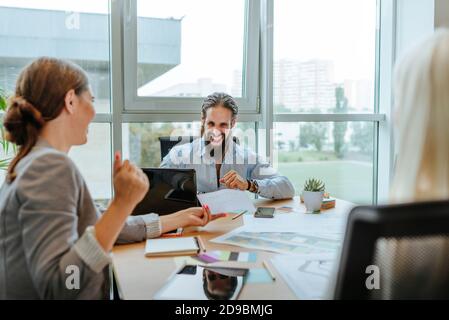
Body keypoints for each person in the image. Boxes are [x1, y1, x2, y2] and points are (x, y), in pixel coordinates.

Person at [0, 57, 225, 299]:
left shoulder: (31, 162)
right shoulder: (50, 167)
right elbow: (63, 286)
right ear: (70, 101)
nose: (94, 111)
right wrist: (123, 203)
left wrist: (172, 220)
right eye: (92, 100)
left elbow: (100, 225)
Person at [160, 92, 295, 200]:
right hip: (195, 228)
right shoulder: (179, 155)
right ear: (203, 120)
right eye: (211, 124)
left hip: (232, 228)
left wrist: (248, 184)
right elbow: (156, 189)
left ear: (233, 123)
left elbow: (287, 187)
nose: (216, 131)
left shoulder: (246, 157)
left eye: (223, 125)